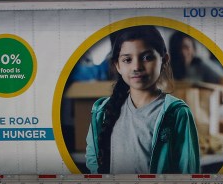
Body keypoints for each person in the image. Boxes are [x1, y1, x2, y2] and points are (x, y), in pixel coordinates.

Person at [85, 25, 200, 175]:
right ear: (117, 65)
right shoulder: (102, 111)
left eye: (147, 57)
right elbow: (93, 160)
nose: (137, 66)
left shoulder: (177, 113)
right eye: (127, 59)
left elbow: (188, 171)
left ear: (164, 60)